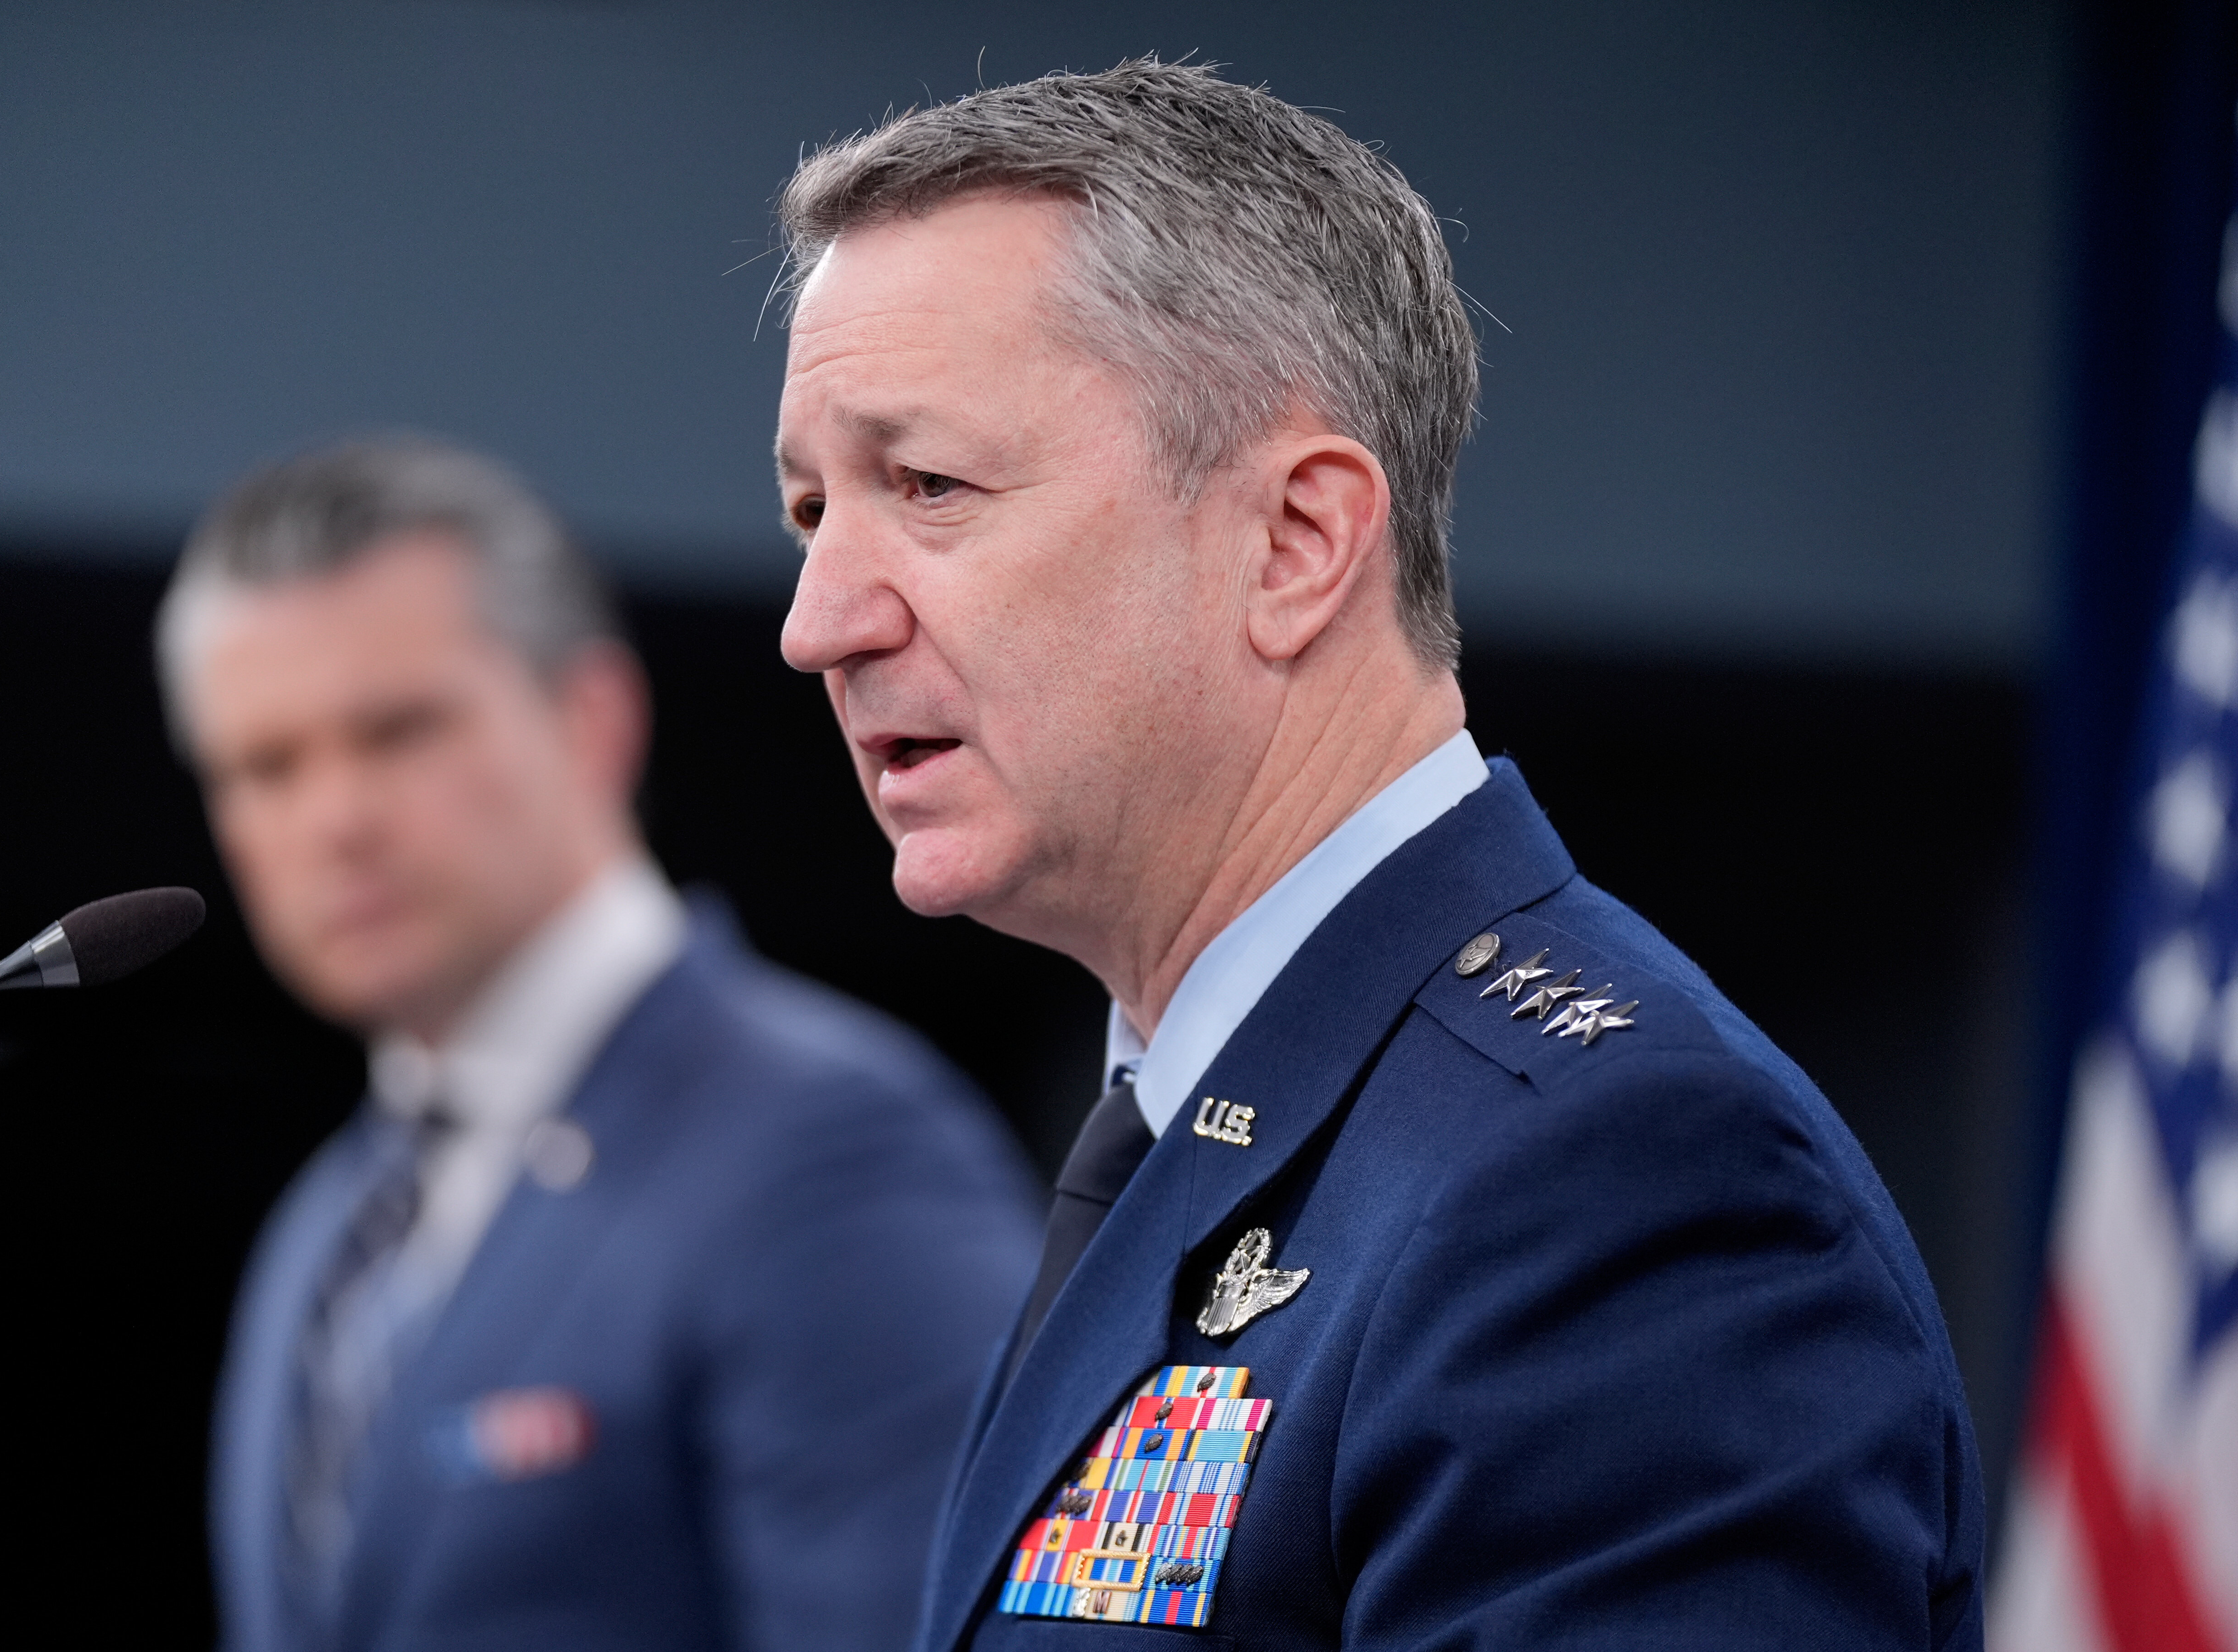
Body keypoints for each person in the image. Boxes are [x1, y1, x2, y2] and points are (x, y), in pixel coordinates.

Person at [770, 60, 1983, 1651]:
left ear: (1296, 544)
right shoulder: (1212, 1125)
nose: (817, 625)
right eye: (812, 513)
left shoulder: (1617, 1180)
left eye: (929, 486)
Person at [158, 436, 1041, 1652]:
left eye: (396, 733)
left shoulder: (829, 1151)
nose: (334, 819)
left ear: (592, 719)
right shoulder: (324, 1232)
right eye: (265, 767)